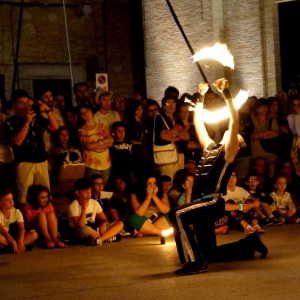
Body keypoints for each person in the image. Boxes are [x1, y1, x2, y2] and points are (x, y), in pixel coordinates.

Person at [169, 79, 268, 276]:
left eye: (237, 137)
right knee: (210, 253)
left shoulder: (229, 152)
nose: (233, 135)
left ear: (238, 145)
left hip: (211, 201)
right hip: (200, 202)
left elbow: (234, 120)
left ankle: (195, 262)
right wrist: (200, 97)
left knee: (178, 213)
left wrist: (227, 94)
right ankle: (249, 243)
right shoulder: (210, 147)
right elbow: (198, 124)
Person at [4, 89, 59, 203]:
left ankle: (44, 217)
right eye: (21, 103)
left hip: (41, 160)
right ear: (14, 104)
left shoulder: (37, 118)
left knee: (44, 194)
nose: (25, 106)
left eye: (26, 103)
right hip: (24, 162)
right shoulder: (10, 121)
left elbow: (55, 127)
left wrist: (48, 111)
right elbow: (17, 141)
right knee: (24, 195)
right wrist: (27, 122)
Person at [68, 178, 123, 245]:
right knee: (85, 230)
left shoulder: (94, 203)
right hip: (80, 232)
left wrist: (104, 224)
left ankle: (98, 240)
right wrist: (84, 208)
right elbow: (80, 226)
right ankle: (107, 237)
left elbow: (105, 220)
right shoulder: (73, 206)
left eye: (90, 190)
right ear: (78, 193)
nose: (89, 194)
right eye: (85, 191)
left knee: (120, 223)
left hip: (94, 229)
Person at [127, 173, 173, 243]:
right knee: (132, 219)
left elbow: (166, 210)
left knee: (171, 216)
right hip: (142, 221)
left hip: (157, 220)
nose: (152, 186)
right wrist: (148, 196)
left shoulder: (162, 192)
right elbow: (140, 213)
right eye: (149, 183)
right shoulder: (135, 194)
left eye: (154, 183)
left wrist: (154, 196)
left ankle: (144, 232)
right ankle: (161, 232)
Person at [78, 105, 113, 184]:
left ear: (91, 111)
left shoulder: (102, 126)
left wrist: (95, 145)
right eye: (82, 113)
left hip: (105, 162)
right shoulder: (82, 130)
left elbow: (111, 142)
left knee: (104, 187)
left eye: (86, 111)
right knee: (93, 186)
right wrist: (103, 141)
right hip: (91, 164)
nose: (85, 114)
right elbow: (89, 146)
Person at [0, 189, 38, 253]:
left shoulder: (16, 212)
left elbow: (21, 228)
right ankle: (15, 247)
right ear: (0, 203)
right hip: (5, 236)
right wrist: (13, 242)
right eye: (7, 200)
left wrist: (20, 240)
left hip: (15, 236)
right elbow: (3, 231)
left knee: (34, 234)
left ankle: (12, 247)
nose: (11, 202)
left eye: (12, 199)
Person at [110, 121, 135, 186]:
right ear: (113, 132)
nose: (122, 133)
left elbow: (134, 158)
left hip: (130, 171)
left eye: (123, 131)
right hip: (118, 172)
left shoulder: (130, 144)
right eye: (119, 131)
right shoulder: (112, 145)